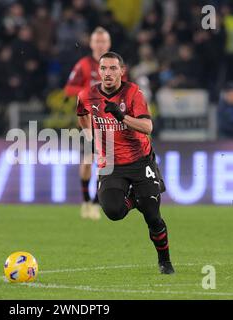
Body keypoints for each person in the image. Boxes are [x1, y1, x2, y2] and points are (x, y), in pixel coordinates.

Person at [76, 52, 175, 274]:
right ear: (98, 71)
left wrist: (121, 117)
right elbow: (81, 112)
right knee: (113, 211)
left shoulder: (133, 94)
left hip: (141, 161)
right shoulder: (87, 95)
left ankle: (165, 261)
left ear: (122, 71)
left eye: (113, 68)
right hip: (111, 163)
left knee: (153, 216)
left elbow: (148, 128)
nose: (108, 73)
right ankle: (135, 199)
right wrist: (91, 137)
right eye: (103, 69)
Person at [64, 26, 112, 220]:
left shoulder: (115, 65)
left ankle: (94, 202)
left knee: (107, 164)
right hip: (89, 121)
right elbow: (68, 89)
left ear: (108, 44)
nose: (100, 45)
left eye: (103, 41)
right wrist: (87, 93)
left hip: (110, 122)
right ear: (91, 44)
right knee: (88, 161)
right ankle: (87, 201)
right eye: (97, 41)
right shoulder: (83, 64)